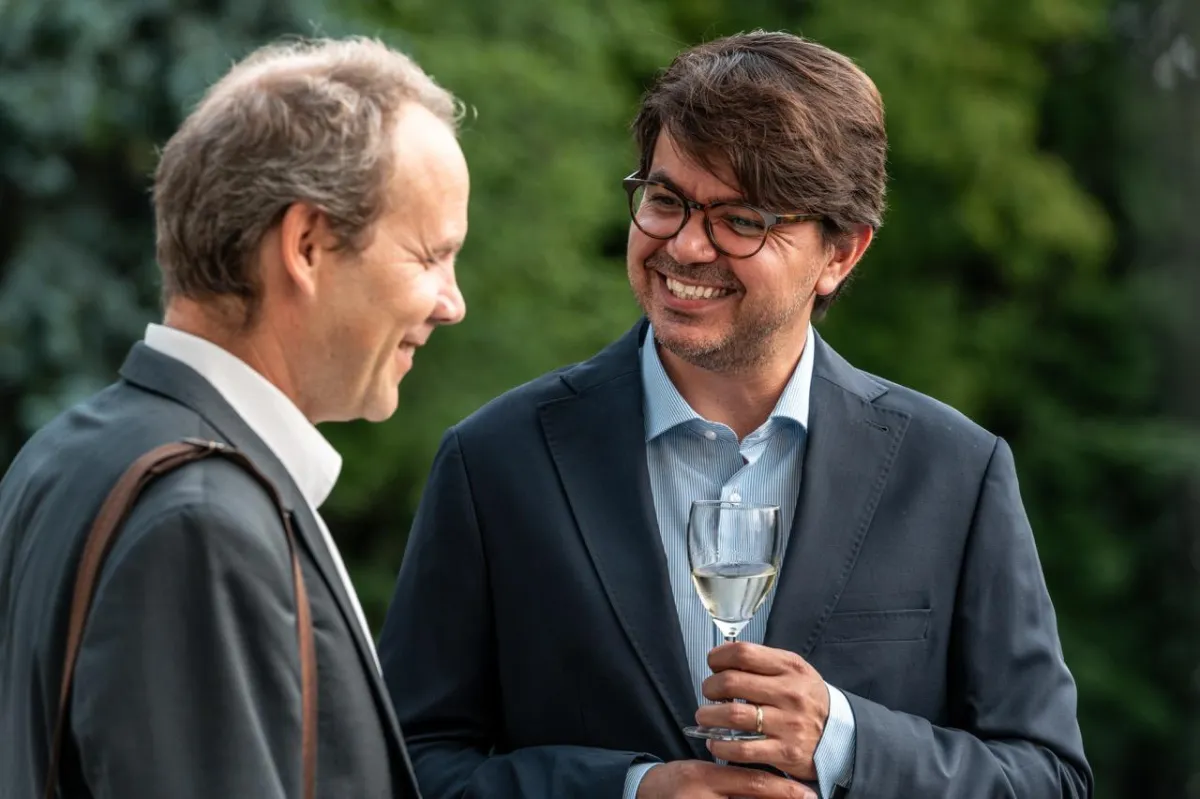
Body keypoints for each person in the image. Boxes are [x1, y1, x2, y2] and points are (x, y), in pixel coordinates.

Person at [377, 29, 1092, 799]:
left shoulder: (956, 471)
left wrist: (844, 739)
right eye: (665, 200)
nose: (684, 246)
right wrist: (631, 791)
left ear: (841, 253)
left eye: (741, 219)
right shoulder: (495, 460)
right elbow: (403, 766)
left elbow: (1048, 777)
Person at [0, 36, 468, 799]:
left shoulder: (63, 453)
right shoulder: (202, 518)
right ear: (307, 244)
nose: (452, 302)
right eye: (429, 255)